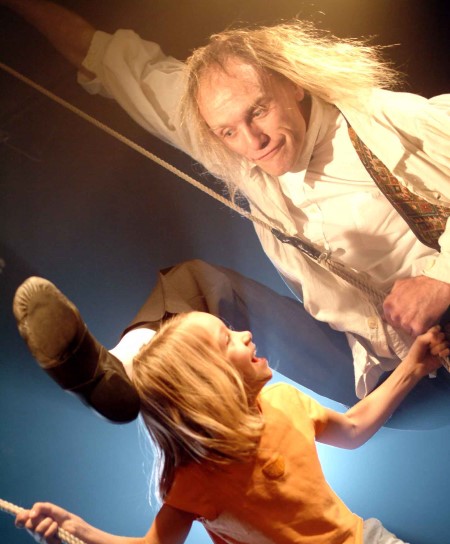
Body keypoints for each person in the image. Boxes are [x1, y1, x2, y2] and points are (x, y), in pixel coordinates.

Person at [3, 0, 450, 403]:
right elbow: (110, 60)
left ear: (292, 84)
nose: (253, 141)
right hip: (371, 373)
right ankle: (112, 374)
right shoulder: (232, 147)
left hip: (441, 344)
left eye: (258, 111)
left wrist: (440, 281)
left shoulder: (384, 120)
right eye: (228, 130)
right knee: (197, 284)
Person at [14, 275, 450, 544]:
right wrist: (78, 531)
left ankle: (114, 369)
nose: (245, 333)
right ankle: (111, 374)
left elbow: (353, 428)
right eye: (227, 339)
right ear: (210, 378)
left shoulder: (284, 403)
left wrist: (413, 366)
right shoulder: (192, 478)